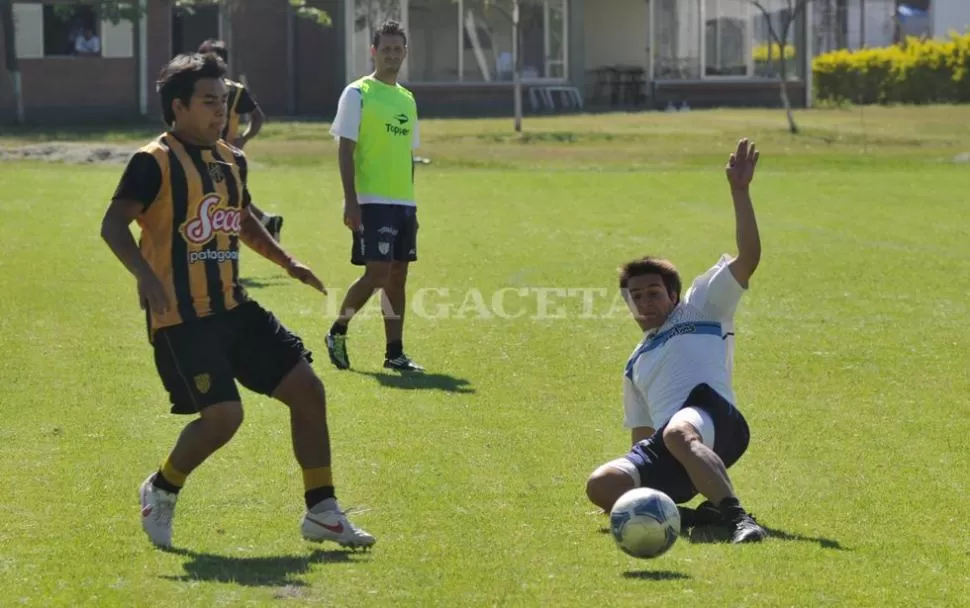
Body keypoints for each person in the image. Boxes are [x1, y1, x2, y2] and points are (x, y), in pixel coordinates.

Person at [99, 52, 375, 550]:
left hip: (233, 307)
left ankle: (323, 511)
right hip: (182, 317)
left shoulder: (232, 159)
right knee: (224, 417)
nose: (220, 113)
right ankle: (161, 488)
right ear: (178, 107)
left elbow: (241, 218)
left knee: (308, 390)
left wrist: (288, 262)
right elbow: (113, 224)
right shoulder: (153, 161)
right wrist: (144, 275)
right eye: (209, 102)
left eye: (224, 102)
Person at [585, 139, 768, 544]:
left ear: (672, 295)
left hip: (716, 423)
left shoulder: (702, 307)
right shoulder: (635, 363)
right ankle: (695, 519)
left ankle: (739, 519)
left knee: (676, 432)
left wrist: (740, 192)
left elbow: (749, 256)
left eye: (654, 292)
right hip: (671, 449)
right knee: (601, 485)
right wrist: (635, 487)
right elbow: (641, 436)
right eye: (637, 295)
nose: (645, 301)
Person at [325, 20, 424, 373]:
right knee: (378, 274)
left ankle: (394, 352)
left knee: (398, 277)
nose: (392, 55)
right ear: (373, 51)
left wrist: (412, 204)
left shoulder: (407, 100)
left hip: (402, 204)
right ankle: (337, 330)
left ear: (405, 53)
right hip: (371, 201)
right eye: (386, 49)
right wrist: (350, 200)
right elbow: (345, 149)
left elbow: (408, 156)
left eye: (398, 49)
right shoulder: (358, 93)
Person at [197, 38, 284, 242]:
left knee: (225, 200)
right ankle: (266, 222)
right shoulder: (196, 89)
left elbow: (257, 116)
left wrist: (243, 139)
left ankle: (223, 251)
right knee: (228, 199)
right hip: (201, 152)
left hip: (223, 155)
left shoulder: (234, 91)